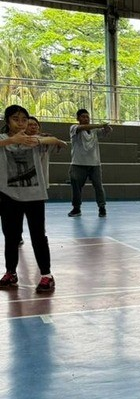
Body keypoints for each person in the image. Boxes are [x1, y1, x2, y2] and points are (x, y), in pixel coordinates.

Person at [0, 105, 64, 293]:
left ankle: (46, 275)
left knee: (38, 235)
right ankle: (11, 273)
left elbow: (59, 142)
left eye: (24, 119)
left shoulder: (35, 140)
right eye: (15, 119)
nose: (20, 123)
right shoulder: (3, 139)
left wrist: (38, 140)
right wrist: (12, 140)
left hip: (34, 196)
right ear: (7, 121)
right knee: (11, 236)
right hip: (8, 196)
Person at [67, 108, 111, 218]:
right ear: (78, 118)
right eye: (83, 117)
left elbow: (107, 131)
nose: (86, 119)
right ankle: (76, 208)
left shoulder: (94, 131)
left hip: (94, 164)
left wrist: (106, 127)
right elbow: (82, 128)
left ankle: (102, 207)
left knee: (98, 186)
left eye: (87, 117)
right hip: (78, 163)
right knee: (76, 187)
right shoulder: (74, 128)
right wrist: (98, 125)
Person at [24, 116, 66, 185]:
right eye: (30, 125)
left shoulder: (46, 141)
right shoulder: (19, 140)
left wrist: (52, 140)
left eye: (35, 125)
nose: (33, 127)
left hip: (42, 182)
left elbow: (64, 144)